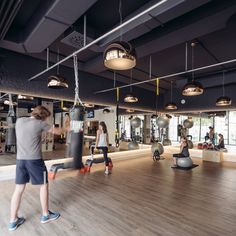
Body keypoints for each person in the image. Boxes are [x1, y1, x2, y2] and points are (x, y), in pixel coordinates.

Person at [8, 105, 66, 231]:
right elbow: (58, 132)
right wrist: (68, 126)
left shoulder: (19, 121)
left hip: (20, 161)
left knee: (18, 189)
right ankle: (46, 215)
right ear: (43, 117)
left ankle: (13, 221)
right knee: (44, 185)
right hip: (34, 161)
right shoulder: (40, 124)